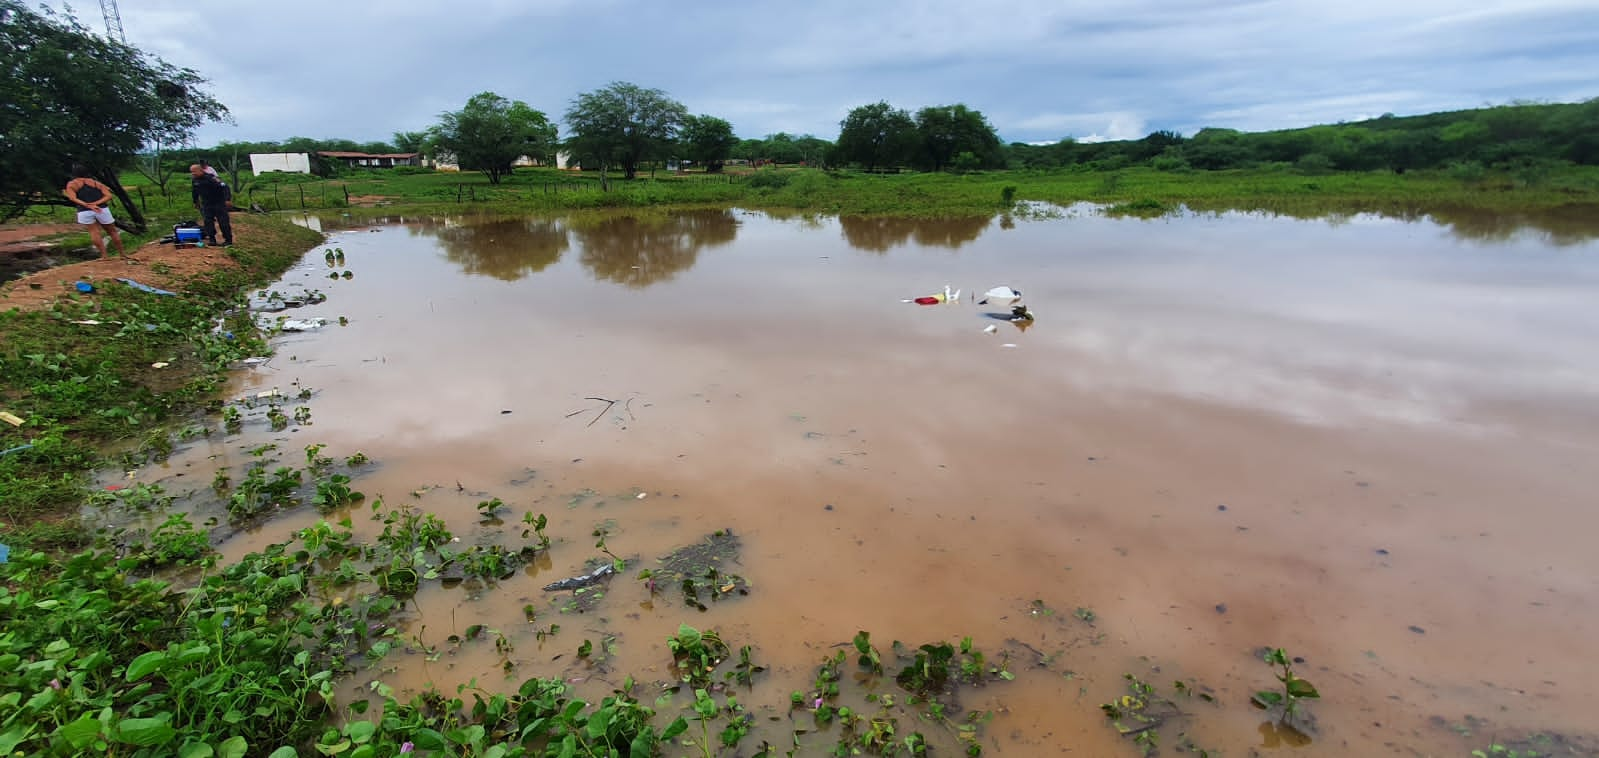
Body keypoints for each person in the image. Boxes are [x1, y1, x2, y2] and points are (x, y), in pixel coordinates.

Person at [63, 165, 126, 259]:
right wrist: (96, 203)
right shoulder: (96, 183)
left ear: (74, 173)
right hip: (102, 209)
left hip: (84, 211)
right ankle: (122, 254)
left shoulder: (72, 184)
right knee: (112, 232)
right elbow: (108, 195)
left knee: (94, 232)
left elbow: (72, 198)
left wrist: (87, 205)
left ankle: (104, 256)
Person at [190, 163, 233, 246]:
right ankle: (212, 239)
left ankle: (228, 240)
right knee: (208, 222)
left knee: (223, 222)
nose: (193, 173)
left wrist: (227, 199)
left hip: (218, 203)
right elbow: (194, 191)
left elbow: (225, 187)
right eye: (191, 172)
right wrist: (195, 201)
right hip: (206, 204)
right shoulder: (195, 180)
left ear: (201, 170)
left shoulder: (211, 178)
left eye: (194, 171)